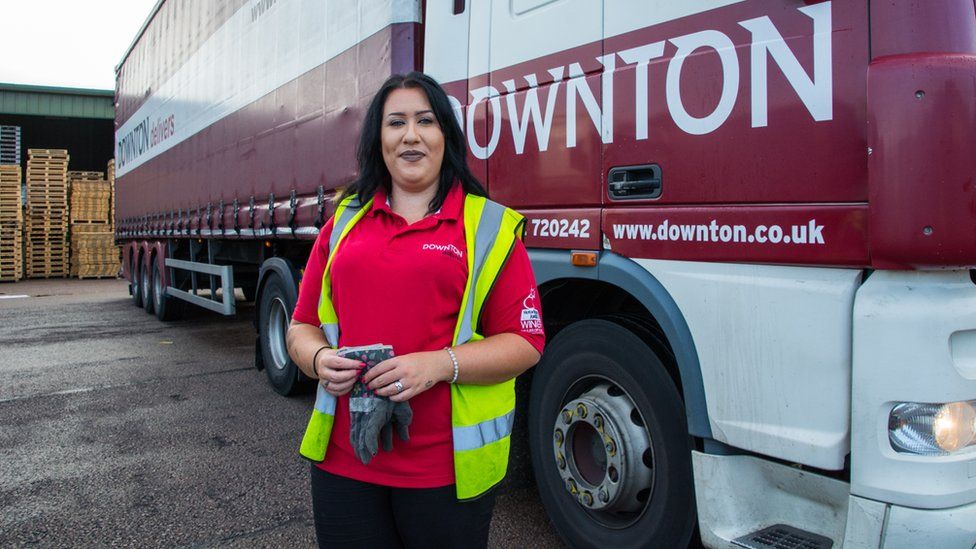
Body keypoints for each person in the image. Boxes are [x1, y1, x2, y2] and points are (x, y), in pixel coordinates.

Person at [285, 71, 545, 548]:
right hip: (345, 465)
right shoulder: (344, 221)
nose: (410, 135)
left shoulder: (486, 226)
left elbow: (525, 343)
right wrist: (320, 360)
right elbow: (302, 324)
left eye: (425, 121)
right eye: (395, 122)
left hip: (443, 471)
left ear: (445, 135)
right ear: (377, 139)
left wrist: (438, 366)